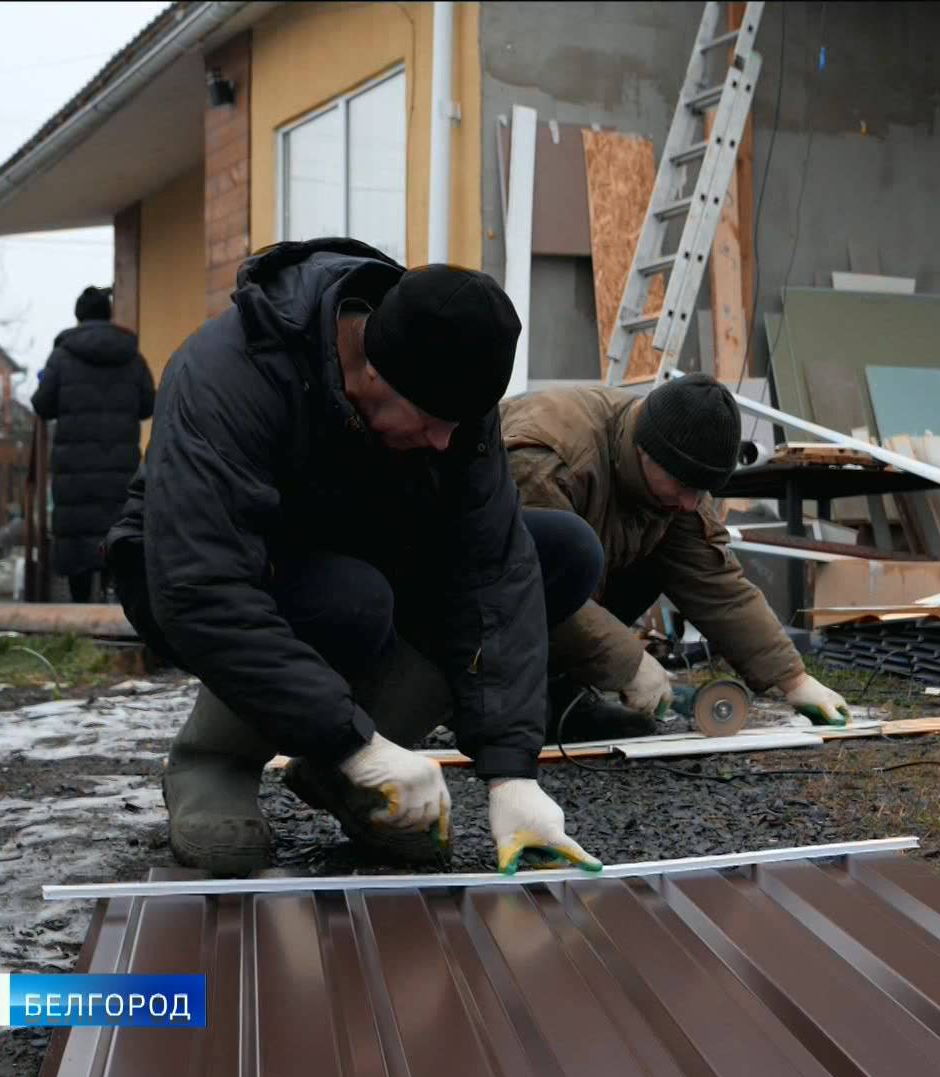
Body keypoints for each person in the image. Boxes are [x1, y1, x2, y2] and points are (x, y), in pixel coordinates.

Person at [106, 237, 603, 878]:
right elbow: (203, 585)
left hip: (351, 544)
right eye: (430, 420)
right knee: (352, 601)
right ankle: (215, 759)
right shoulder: (230, 373)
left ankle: (345, 775)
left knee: (558, 551)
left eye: (460, 423)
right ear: (369, 369)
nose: (445, 441)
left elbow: (491, 569)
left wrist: (512, 773)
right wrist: (353, 741)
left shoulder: (446, 384)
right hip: (193, 564)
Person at [502, 375, 851, 738]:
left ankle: (558, 692)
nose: (689, 503)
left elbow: (714, 582)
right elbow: (523, 579)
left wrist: (793, 680)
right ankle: (493, 696)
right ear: (646, 451)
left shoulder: (675, 482)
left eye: (700, 491)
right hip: (470, 600)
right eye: (684, 487)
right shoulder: (547, 461)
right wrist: (628, 661)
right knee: (566, 553)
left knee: (659, 559)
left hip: (541, 594)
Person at [31, 286, 155, 603]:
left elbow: (42, 406)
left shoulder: (61, 357)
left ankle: (81, 617)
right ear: (108, 315)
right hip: (119, 470)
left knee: (77, 543)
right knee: (116, 532)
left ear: (78, 317)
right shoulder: (132, 356)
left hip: (74, 473)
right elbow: (147, 405)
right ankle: (113, 602)